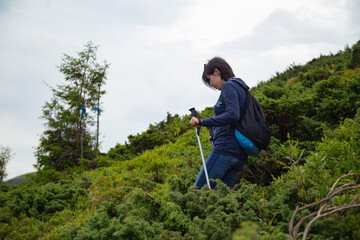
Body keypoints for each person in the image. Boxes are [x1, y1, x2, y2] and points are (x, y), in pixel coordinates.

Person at [190, 57, 249, 189]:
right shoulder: (240, 88)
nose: (211, 84)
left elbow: (233, 115)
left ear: (217, 71)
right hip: (238, 154)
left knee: (200, 193)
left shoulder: (229, 86)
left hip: (226, 150)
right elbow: (235, 119)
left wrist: (201, 122)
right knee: (221, 200)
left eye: (209, 79)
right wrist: (216, 134)